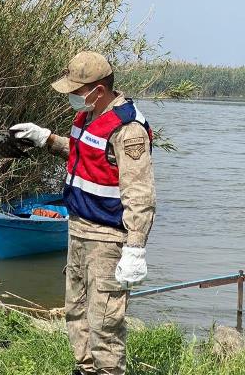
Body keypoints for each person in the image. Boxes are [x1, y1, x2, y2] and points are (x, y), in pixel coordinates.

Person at [10, 51, 156, 375]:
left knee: (105, 323)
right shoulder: (87, 116)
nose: (72, 98)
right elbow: (84, 156)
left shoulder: (128, 129)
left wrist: (135, 248)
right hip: (77, 229)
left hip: (107, 238)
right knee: (75, 312)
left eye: (76, 92)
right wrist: (46, 139)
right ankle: (85, 369)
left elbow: (140, 194)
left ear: (98, 90)